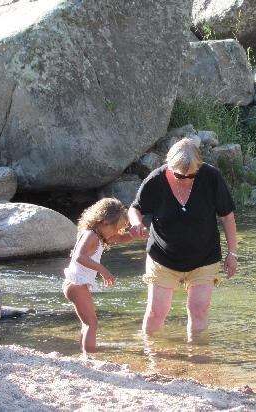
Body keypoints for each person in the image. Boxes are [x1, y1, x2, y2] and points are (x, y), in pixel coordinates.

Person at [128, 138, 238, 341]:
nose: (186, 179)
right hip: (163, 258)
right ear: (169, 166)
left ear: (200, 166)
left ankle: (197, 364)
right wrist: (136, 223)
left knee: (199, 311)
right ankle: (151, 360)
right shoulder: (156, 180)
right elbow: (135, 208)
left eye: (192, 175)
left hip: (204, 257)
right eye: (180, 175)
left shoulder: (211, 177)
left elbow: (227, 217)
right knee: (156, 312)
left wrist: (233, 254)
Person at [63, 198, 142, 353]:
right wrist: (102, 269)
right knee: (91, 323)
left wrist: (134, 235)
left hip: (75, 284)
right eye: (116, 228)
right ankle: (90, 356)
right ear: (104, 222)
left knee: (87, 323)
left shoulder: (99, 234)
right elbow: (79, 256)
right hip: (76, 284)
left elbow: (119, 238)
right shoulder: (90, 235)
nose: (117, 232)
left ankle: (84, 352)